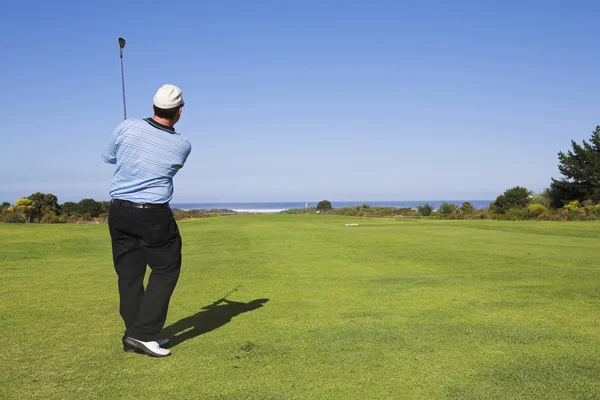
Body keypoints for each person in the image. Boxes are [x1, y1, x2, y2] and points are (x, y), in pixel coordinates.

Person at [101, 84, 192, 357]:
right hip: (152, 215)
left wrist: (129, 142)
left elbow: (108, 157)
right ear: (178, 112)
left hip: (119, 212)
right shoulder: (182, 145)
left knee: (129, 274)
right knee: (166, 269)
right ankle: (142, 334)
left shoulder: (126, 126)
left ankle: (134, 333)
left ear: (153, 107)